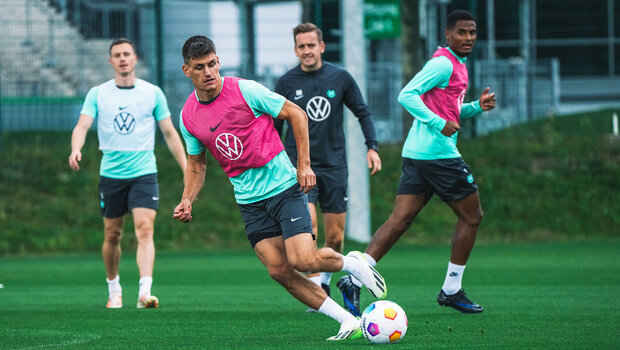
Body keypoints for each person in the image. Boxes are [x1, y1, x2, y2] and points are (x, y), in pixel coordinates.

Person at [172, 35, 387, 341]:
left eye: (212, 64)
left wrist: (303, 164)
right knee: (278, 270)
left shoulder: (244, 90)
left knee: (303, 260)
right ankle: (347, 321)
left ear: (218, 61)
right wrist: (187, 199)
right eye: (199, 67)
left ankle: (353, 264)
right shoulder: (189, 117)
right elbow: (196, 164)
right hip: (249, 200)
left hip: (283, 187)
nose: (208, 72)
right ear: (187, 71)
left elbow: (296, 114)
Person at [339, 10, 496, 315]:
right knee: (472, 216)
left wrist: (477, 107)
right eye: (461, 33)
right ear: (447, 35)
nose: (468, 38)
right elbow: (406, 95)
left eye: (472, 33)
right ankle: (451, 289)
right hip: (438, 155)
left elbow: (450, 110)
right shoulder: (442, 63)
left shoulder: (456, 65)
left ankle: (354, 281)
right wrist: (438, 123)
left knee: (400, 221)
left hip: (418, 154)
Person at [68, 38, 187, 309]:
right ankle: (114, 290)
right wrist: (76, 149)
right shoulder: (98, 93)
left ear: (135, 59)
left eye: (127, 54)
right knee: (112, 234)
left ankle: (145, 292)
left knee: (145, 229)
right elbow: (82, 126)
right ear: (111, 61)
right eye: (117, 55)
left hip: (144, 173)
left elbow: (169, 132)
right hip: (111, 175)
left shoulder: (152, 93)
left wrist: (186, 168)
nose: (122, 58)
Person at [274, 23, 381, 314]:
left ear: (321, 47)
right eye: (301, 46)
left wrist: (372, 146)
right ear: (295, 49)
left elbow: (362, 112)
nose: (306, 51)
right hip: (299, 169)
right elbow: (274, 128)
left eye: (311, 45)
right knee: (309, 227)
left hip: (334, 167)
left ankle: (327, 280)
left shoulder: (341, 77)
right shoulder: (285, 83)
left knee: (335, 236)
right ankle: (317, 289)